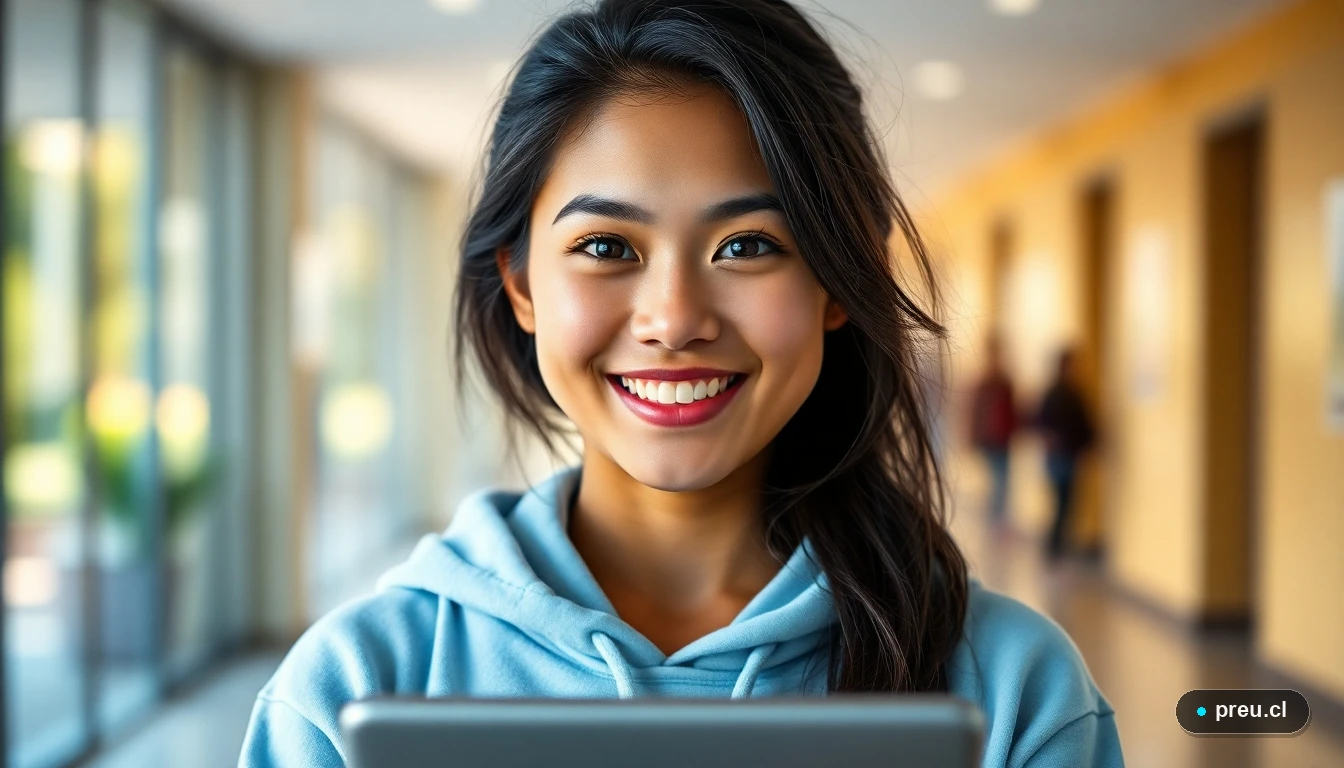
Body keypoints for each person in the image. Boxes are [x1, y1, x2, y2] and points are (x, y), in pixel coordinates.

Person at [239, 2, 1122, 766]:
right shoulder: (351, 692)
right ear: (520, 284)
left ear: (836, 282)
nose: (674, 317)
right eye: (606, 248)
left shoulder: (1013, 691)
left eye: (747, 246)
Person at [1035, 348, 1097, 560]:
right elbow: (1040, 422)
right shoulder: (1058, 393)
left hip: (1068, 455)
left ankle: (1058, 545)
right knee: (1062, 502)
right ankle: (1055, 546)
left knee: (1066, 502)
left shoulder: (1073, 392)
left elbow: (1085, 425)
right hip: (1059, 456)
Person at [969, 335, 1018, 525]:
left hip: (1002, 439)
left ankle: (998, 520)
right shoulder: (986, 380)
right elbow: (977, 412)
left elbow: (1011, 411)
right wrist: (975, 438)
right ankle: (995, 521)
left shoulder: (1004, 380)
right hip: (990, 439)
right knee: (999, 481)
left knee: (1002, 482)